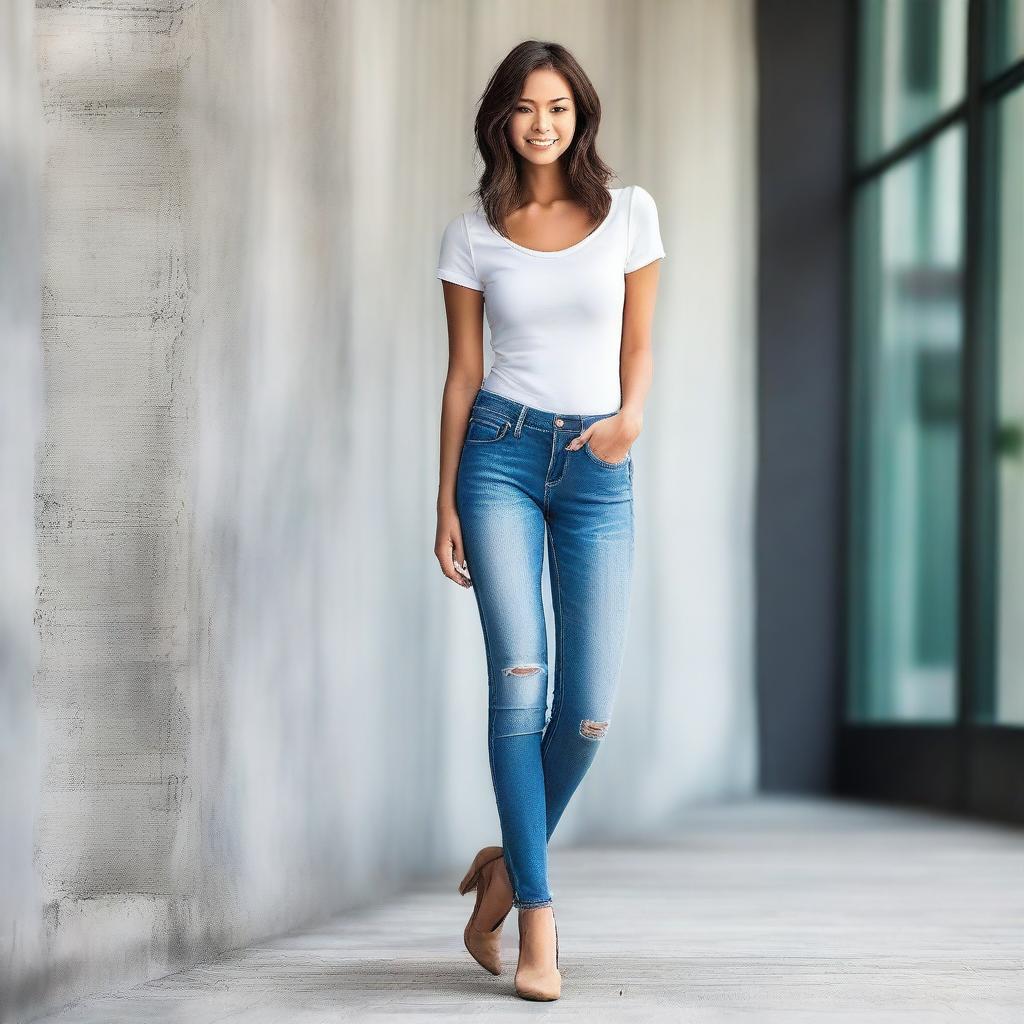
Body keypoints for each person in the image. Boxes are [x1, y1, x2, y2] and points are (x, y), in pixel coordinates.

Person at [434, 38, 664, 1002]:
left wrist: (628, 422)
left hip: (597, 467)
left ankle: (500, 868)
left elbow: (641, 343)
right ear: (502, 118)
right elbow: (462, 375)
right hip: (499, 456)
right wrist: (443, 497)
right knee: (518, 685)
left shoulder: (629, 214)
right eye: (527, 108)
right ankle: (538, 919)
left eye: (559, 108)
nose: (543, 124)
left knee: (588, 711)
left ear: (581, 117)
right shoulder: (471, 233)